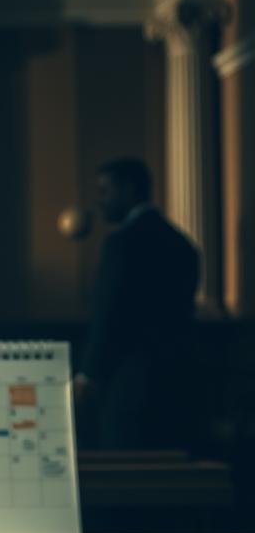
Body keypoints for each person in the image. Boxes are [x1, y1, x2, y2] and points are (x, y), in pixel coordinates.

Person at [74, 158, 200, 450]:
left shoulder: (121, 244)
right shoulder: (183, 244)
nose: (99, 201)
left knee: (127, 465)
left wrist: (87, 374)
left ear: (129, 189)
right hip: (180, 379)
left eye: (105, 191)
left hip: (130, 381)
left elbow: (109, 314)